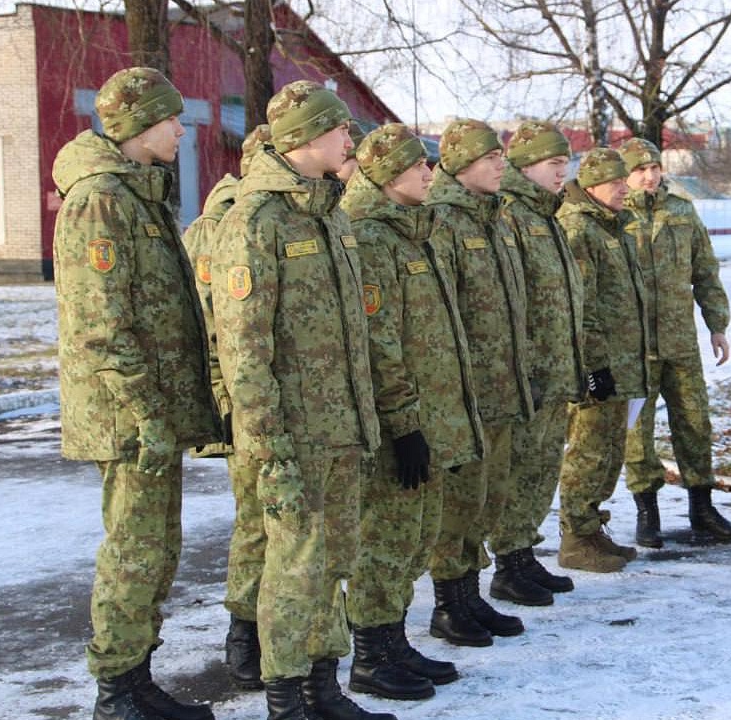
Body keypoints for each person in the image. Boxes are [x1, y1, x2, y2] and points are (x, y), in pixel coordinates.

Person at [211, 80, 394, 720]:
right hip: (293, 435)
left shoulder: (332, 214)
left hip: (343, 428)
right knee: (293, 570)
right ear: (307, 138)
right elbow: (244, 354)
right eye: (341, 130)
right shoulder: (255, 222)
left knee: (332, 564)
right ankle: (286, 698)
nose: (351, 140)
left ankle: (323, 687)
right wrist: (269, 448)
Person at [53, 66, 221, 720]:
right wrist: (149, 415)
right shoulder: (102, 201)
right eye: (171, 118)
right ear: (139, 124)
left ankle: (136, 678)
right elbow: (103, 325)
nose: (182, 129)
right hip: (129, 418)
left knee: (156, 550)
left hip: (149, 413)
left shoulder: (137, 193)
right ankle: (118, 693)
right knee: (134, 551)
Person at [342, 123, 485, 698]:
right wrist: (403, 422)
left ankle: (393, 639)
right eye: (418, 165)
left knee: (417, 534)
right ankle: (371, 655)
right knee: (387, 538)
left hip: (433, 414)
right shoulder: (372, 238)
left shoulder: (412, 232)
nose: (431, 173)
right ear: (384, 174)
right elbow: (380, 342)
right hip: (400, 420)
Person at [424, 118, 533, 646]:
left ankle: (470, 593)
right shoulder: (440, 220)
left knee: (487, 498)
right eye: (492, 157)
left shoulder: (497, 218)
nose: (501, 165)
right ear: (464, 161)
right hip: (463, 393)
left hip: (501, 388)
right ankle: (449, 602)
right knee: (459, 502)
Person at [180, 124, 272, 691]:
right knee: (257, 524)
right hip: (244, 402)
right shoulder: (221, 226)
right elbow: (212, 326)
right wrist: (223, 403)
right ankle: (245, 630)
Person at [619, 137, 731, 548]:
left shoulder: (682, 211)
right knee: (638, 430)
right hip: (634, 344)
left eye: (655, 167)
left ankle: (701, 507)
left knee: (694, 422)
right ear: (625, 175)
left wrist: (717, 325)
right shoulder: (612, 214)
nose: (650, 176)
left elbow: (705, 270)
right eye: (640, 170)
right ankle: (646, 511)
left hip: (680, 341)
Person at [489, 120, 586, 605]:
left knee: (543, 464)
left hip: (555, 368)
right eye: (554, 163)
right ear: (525, 165)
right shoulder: (510, 215)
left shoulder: (546, 214)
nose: (562, 172)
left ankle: (524, 552)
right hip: (528, 371)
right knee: (520, 467)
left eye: (565, 163)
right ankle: (507, 560)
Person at [555, 148, 649, 572]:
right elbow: (580, 306)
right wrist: (594, 367)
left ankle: (592, 529)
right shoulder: (579, 229)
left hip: (624, 363)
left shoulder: (615, 227)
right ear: (591, 185)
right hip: (600, 366)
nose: (623, 188)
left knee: (610, 451)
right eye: (615, 182)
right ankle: (575, 537)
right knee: (588, 451)